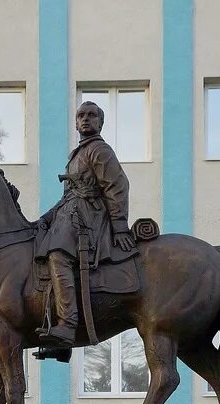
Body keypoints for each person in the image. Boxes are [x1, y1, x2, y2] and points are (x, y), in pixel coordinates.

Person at [35, 101, 138, 351]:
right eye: (81, 115)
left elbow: (117, 186)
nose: (86, 119)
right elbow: (67, 196)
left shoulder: (99, 150)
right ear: (75, 122)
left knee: (58, 255)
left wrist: (119, 224)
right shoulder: (75, 156)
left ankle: (68, 324)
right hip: (71, 212)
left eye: (92, 115)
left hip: (90, 216)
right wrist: (46, 218)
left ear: (100, 122)